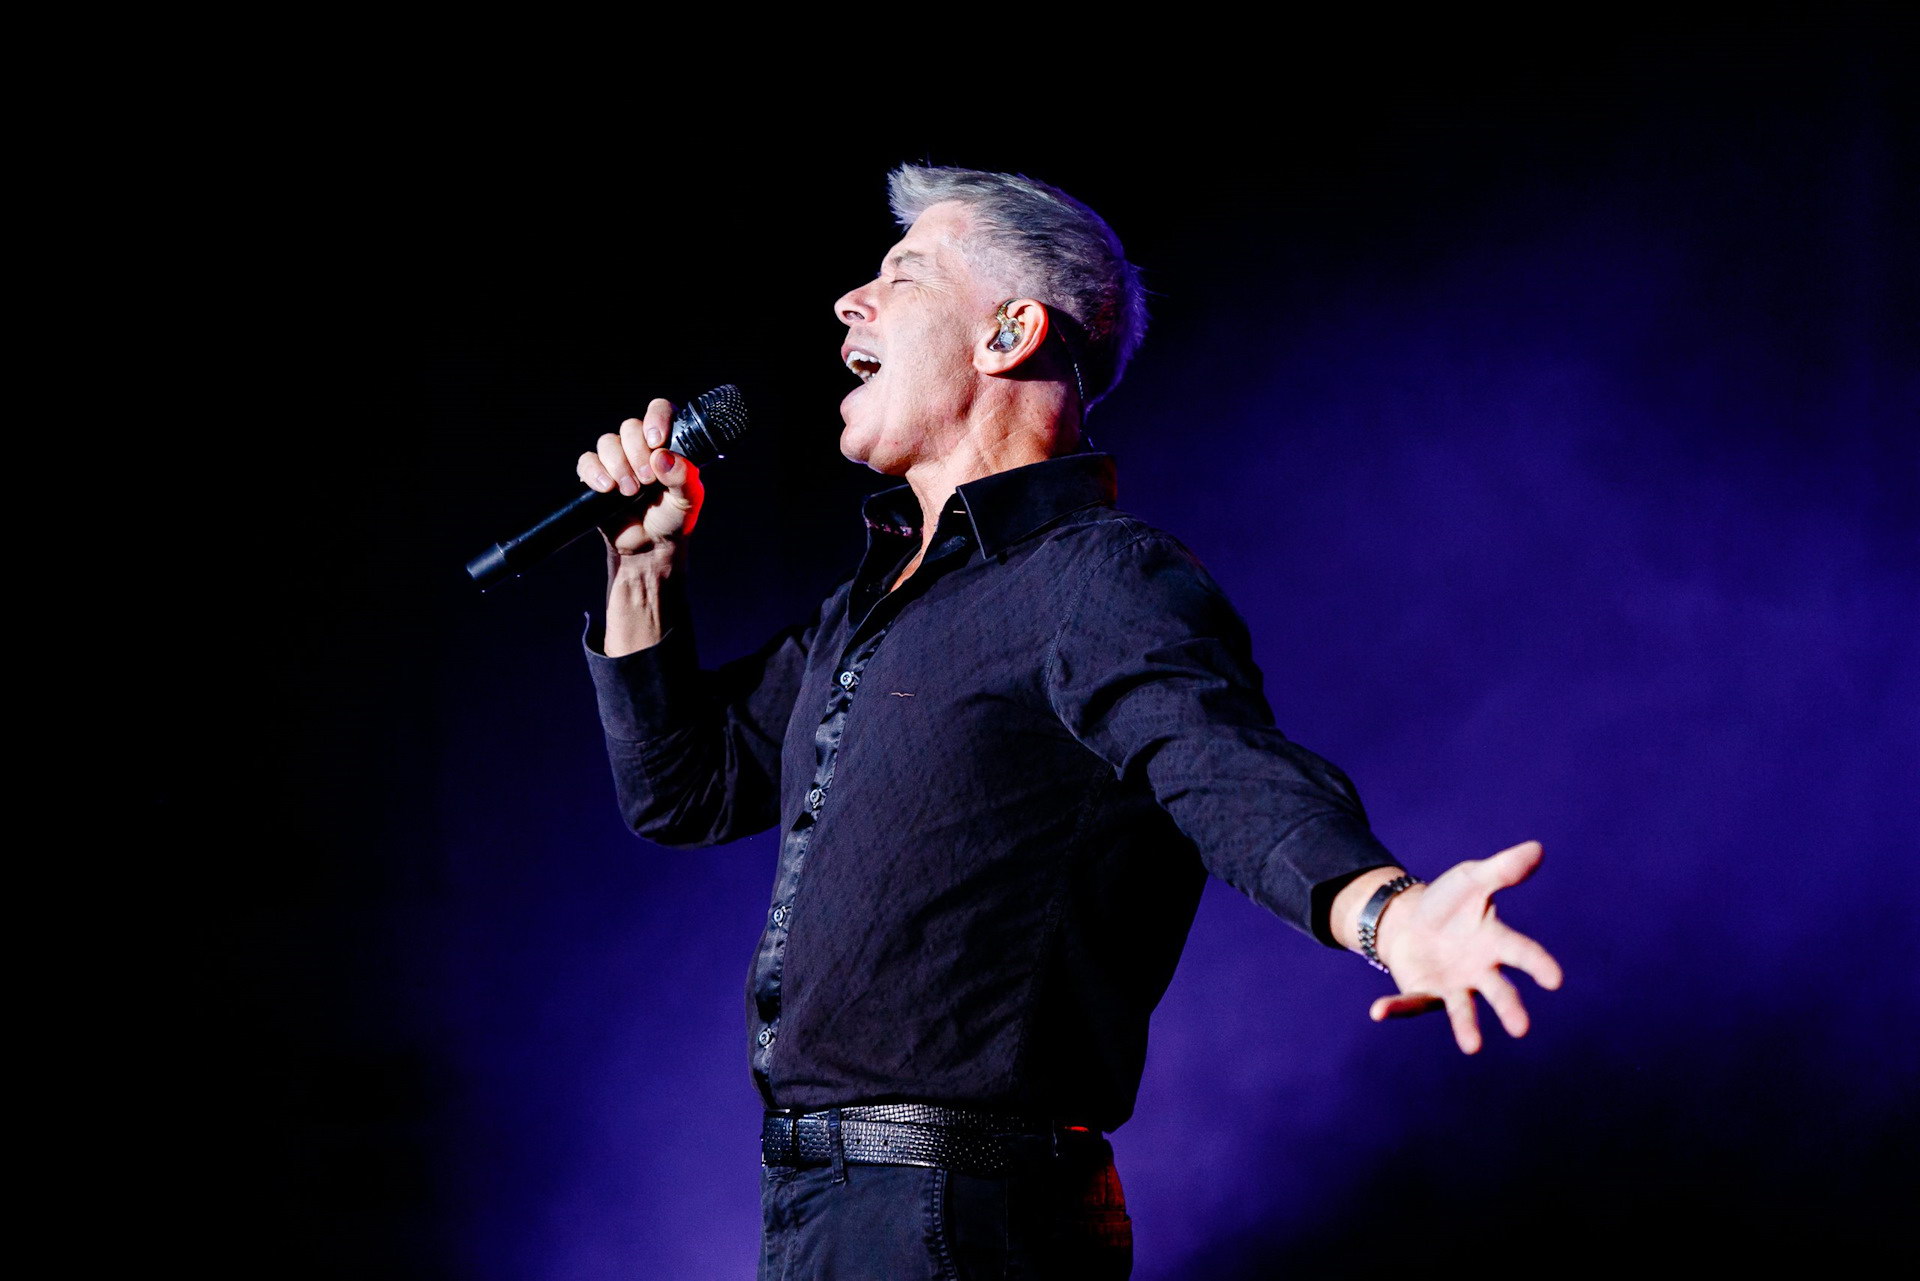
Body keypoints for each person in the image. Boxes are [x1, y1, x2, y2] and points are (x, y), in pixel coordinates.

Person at [576, 166, 1563, 1279]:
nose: (851, 300)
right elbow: (685, 788)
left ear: (1009, 332)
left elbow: (1221, 766)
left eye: (903, 274)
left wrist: (1391, 912)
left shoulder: (1097, 581)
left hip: (959, 1218)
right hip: (833, 1218)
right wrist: (641, 567)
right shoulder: (869, 611)